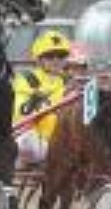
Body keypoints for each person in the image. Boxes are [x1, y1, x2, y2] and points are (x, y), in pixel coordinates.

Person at [13, 29, 72, 168]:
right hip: (35, 140)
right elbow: (19, 113)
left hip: (64, 141)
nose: (56, 60)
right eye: (50, 56)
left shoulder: (70, 81)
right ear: (39, 60)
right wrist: (33, 103)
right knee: (26, 140)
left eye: (61, 56)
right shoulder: (28, 79)